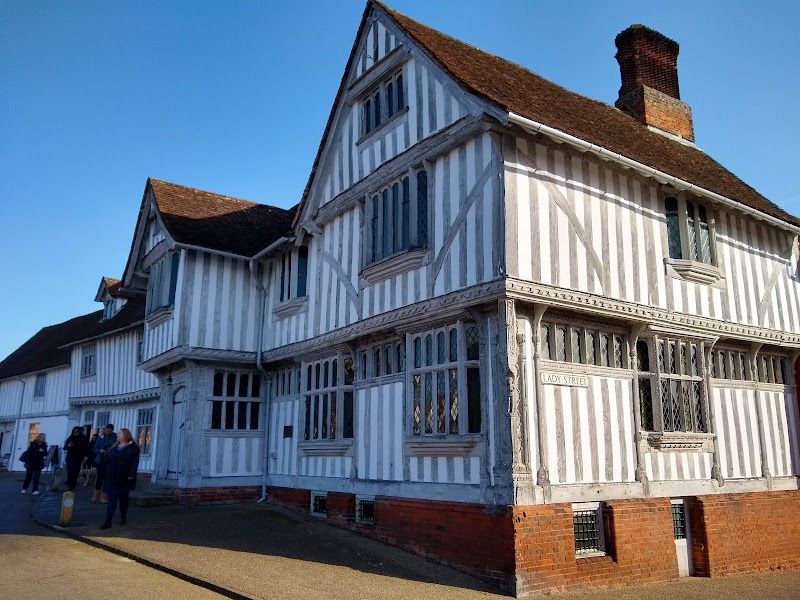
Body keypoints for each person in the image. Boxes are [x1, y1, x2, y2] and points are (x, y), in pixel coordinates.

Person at [100, 428, 139, 529]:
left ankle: (123, 517)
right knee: (111, 501)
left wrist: (131, 474)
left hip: (125, 478)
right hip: (112, 477)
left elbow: (135, 462)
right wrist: (104, 455)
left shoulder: (133, 447)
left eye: (119, 433)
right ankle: (108, 521)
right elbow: (108, 459)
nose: (117, 435)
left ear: (125, 435)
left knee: (123, 500)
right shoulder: (114, 446)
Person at [92, 424, 117, 503]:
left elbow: (117, 448)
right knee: (99, 478)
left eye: (109, 431)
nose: (108, 432)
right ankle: (95, 495)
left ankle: (104, 496)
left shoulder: (115, 438)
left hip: (111, 461)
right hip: (101, 460)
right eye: (106, 430)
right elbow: (95, 449)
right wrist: (100, 451)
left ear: (112, 430)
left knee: (107, 478)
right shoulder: (101, 438)